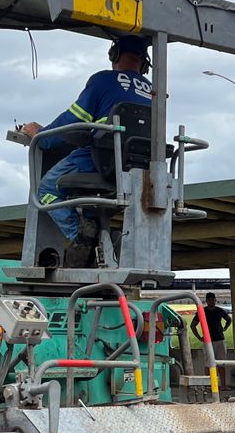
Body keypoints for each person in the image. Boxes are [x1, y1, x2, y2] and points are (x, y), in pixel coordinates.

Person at [19, 34, 154, 267]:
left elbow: (73, 120)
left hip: (102, 158)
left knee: (47, 188)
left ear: (114, 55)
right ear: (144, 62)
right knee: (94, 203)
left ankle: (81, 238)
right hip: (139, 168)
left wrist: (42, 136)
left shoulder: (103, 80)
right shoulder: (154, 91)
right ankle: (95, 234)